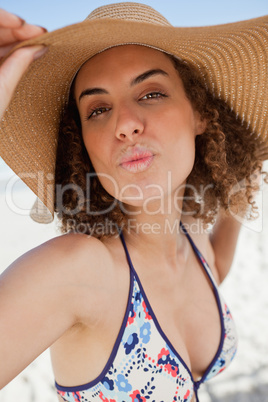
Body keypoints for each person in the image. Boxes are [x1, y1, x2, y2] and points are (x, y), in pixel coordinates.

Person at [0, 3, 267, 402]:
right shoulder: (76, 269)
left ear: (201, 115)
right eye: (99, 109)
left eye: (152, 93)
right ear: (82, 145)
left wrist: (243, 174)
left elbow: (215, 267)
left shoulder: (190, 229)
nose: (124, 124)